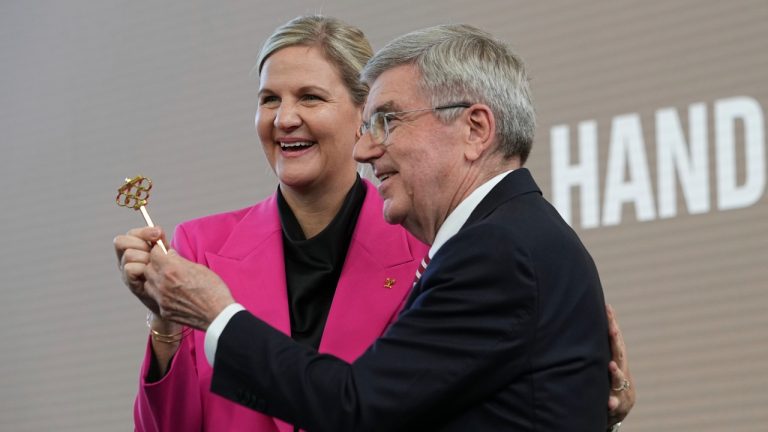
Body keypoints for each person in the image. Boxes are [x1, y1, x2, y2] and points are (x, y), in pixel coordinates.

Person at [115, 17, 634, 432]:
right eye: (268, 99)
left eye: (385, 120)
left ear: (475, 129)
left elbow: (360, 406)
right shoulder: (198, 248)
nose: (283, 118)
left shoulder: (473, 252)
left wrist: (217, 314)